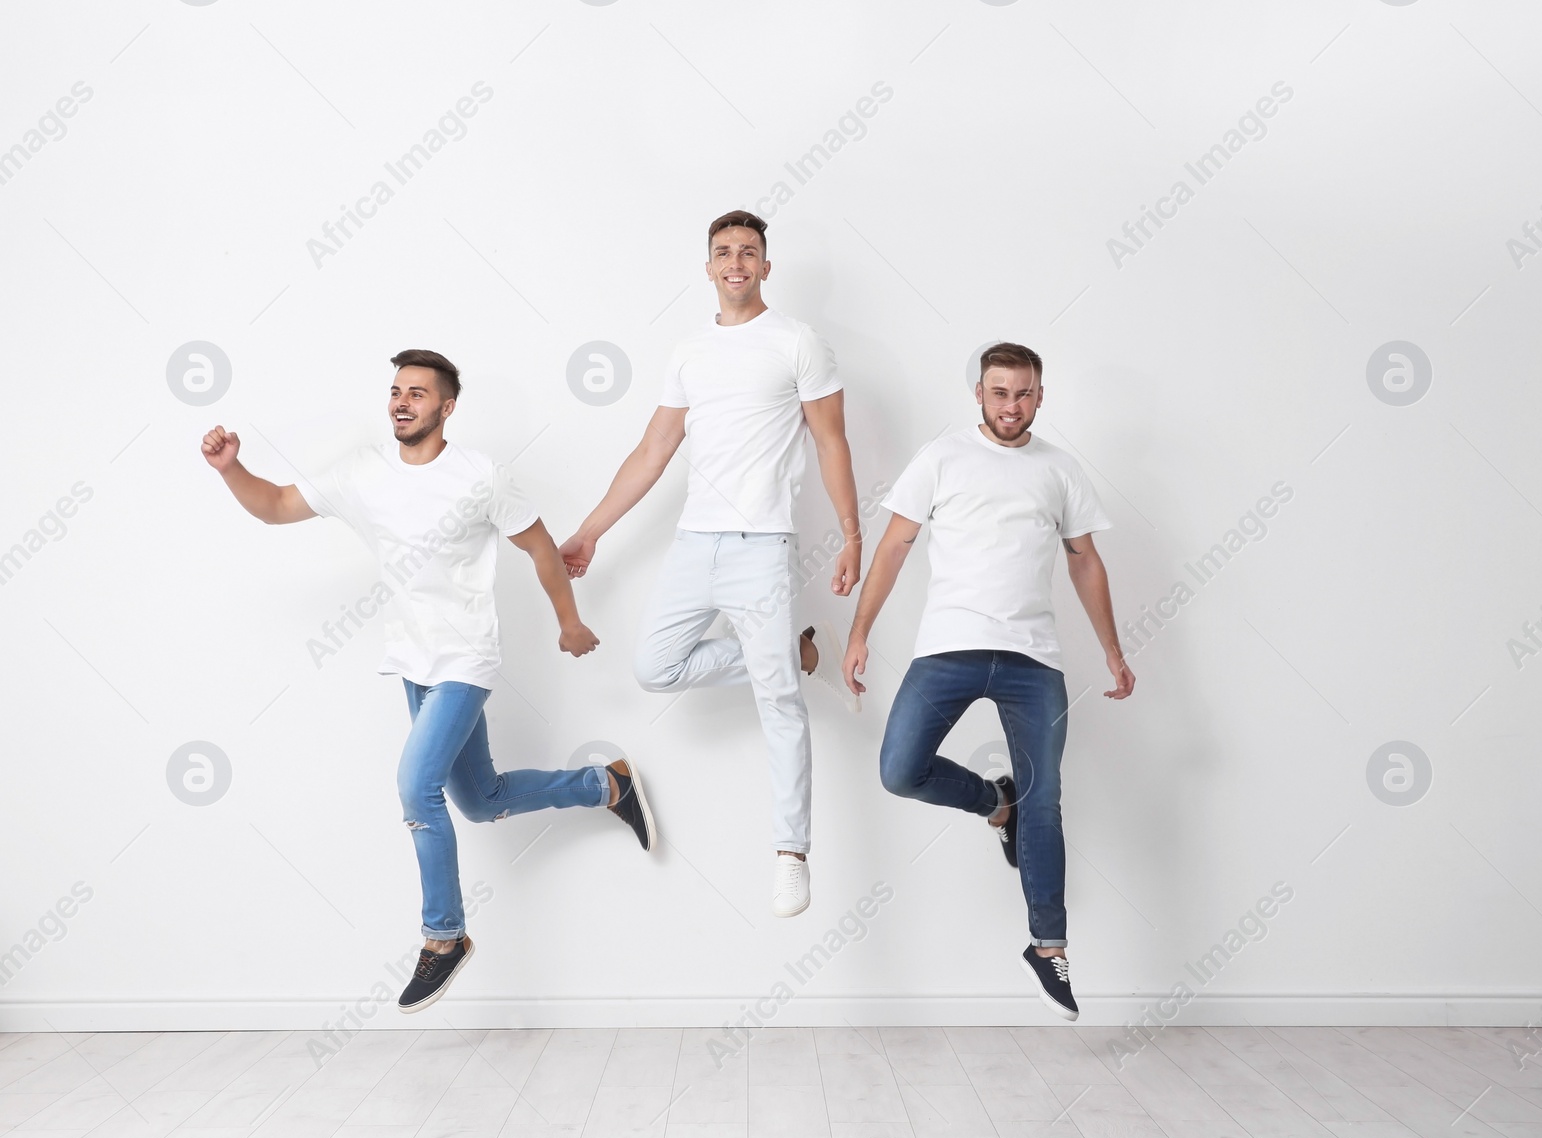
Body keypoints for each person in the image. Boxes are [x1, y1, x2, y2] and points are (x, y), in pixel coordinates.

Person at [199, 349, 654, 1012]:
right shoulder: (363, 473)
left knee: (416, 787)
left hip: (466, 659)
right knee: (481, 799)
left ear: (447, 406)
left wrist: (570, 623)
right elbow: (272, 506)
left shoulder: (481, 476)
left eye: (418, 392)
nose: (402, 402)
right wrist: (230, 467)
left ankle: (444, 938)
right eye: (395, 391)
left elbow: (539, 548)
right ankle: (604, 783)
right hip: (411, 662)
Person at [560, 210, 862, 918]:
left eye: (748, 252)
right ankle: (787, 652)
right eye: (723, 252)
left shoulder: (797, 343)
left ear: (765, 266)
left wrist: (852, 535)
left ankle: (791, 853)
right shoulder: (689, 351)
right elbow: (651, 452)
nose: (736, 262)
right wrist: (591, 531)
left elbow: (832, 442)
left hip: (762, 546)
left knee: (778, 701)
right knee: (654, 667)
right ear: (708, 267)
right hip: (696, 543)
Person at [842, 341, 1134, 1019]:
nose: (1012, 406)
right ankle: (989, 803)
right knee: (898, 768)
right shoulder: (942, 457)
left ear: (1040, 396)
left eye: (1025, 393)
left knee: (1045, 799)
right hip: (949, 647)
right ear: (979, 393)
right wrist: (859, 633)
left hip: (1034, 660)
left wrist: (1114, 651)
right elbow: (893, 547)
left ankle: (1048, 942)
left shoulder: (1060, 470)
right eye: (1000, 393)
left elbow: (1085, 562)